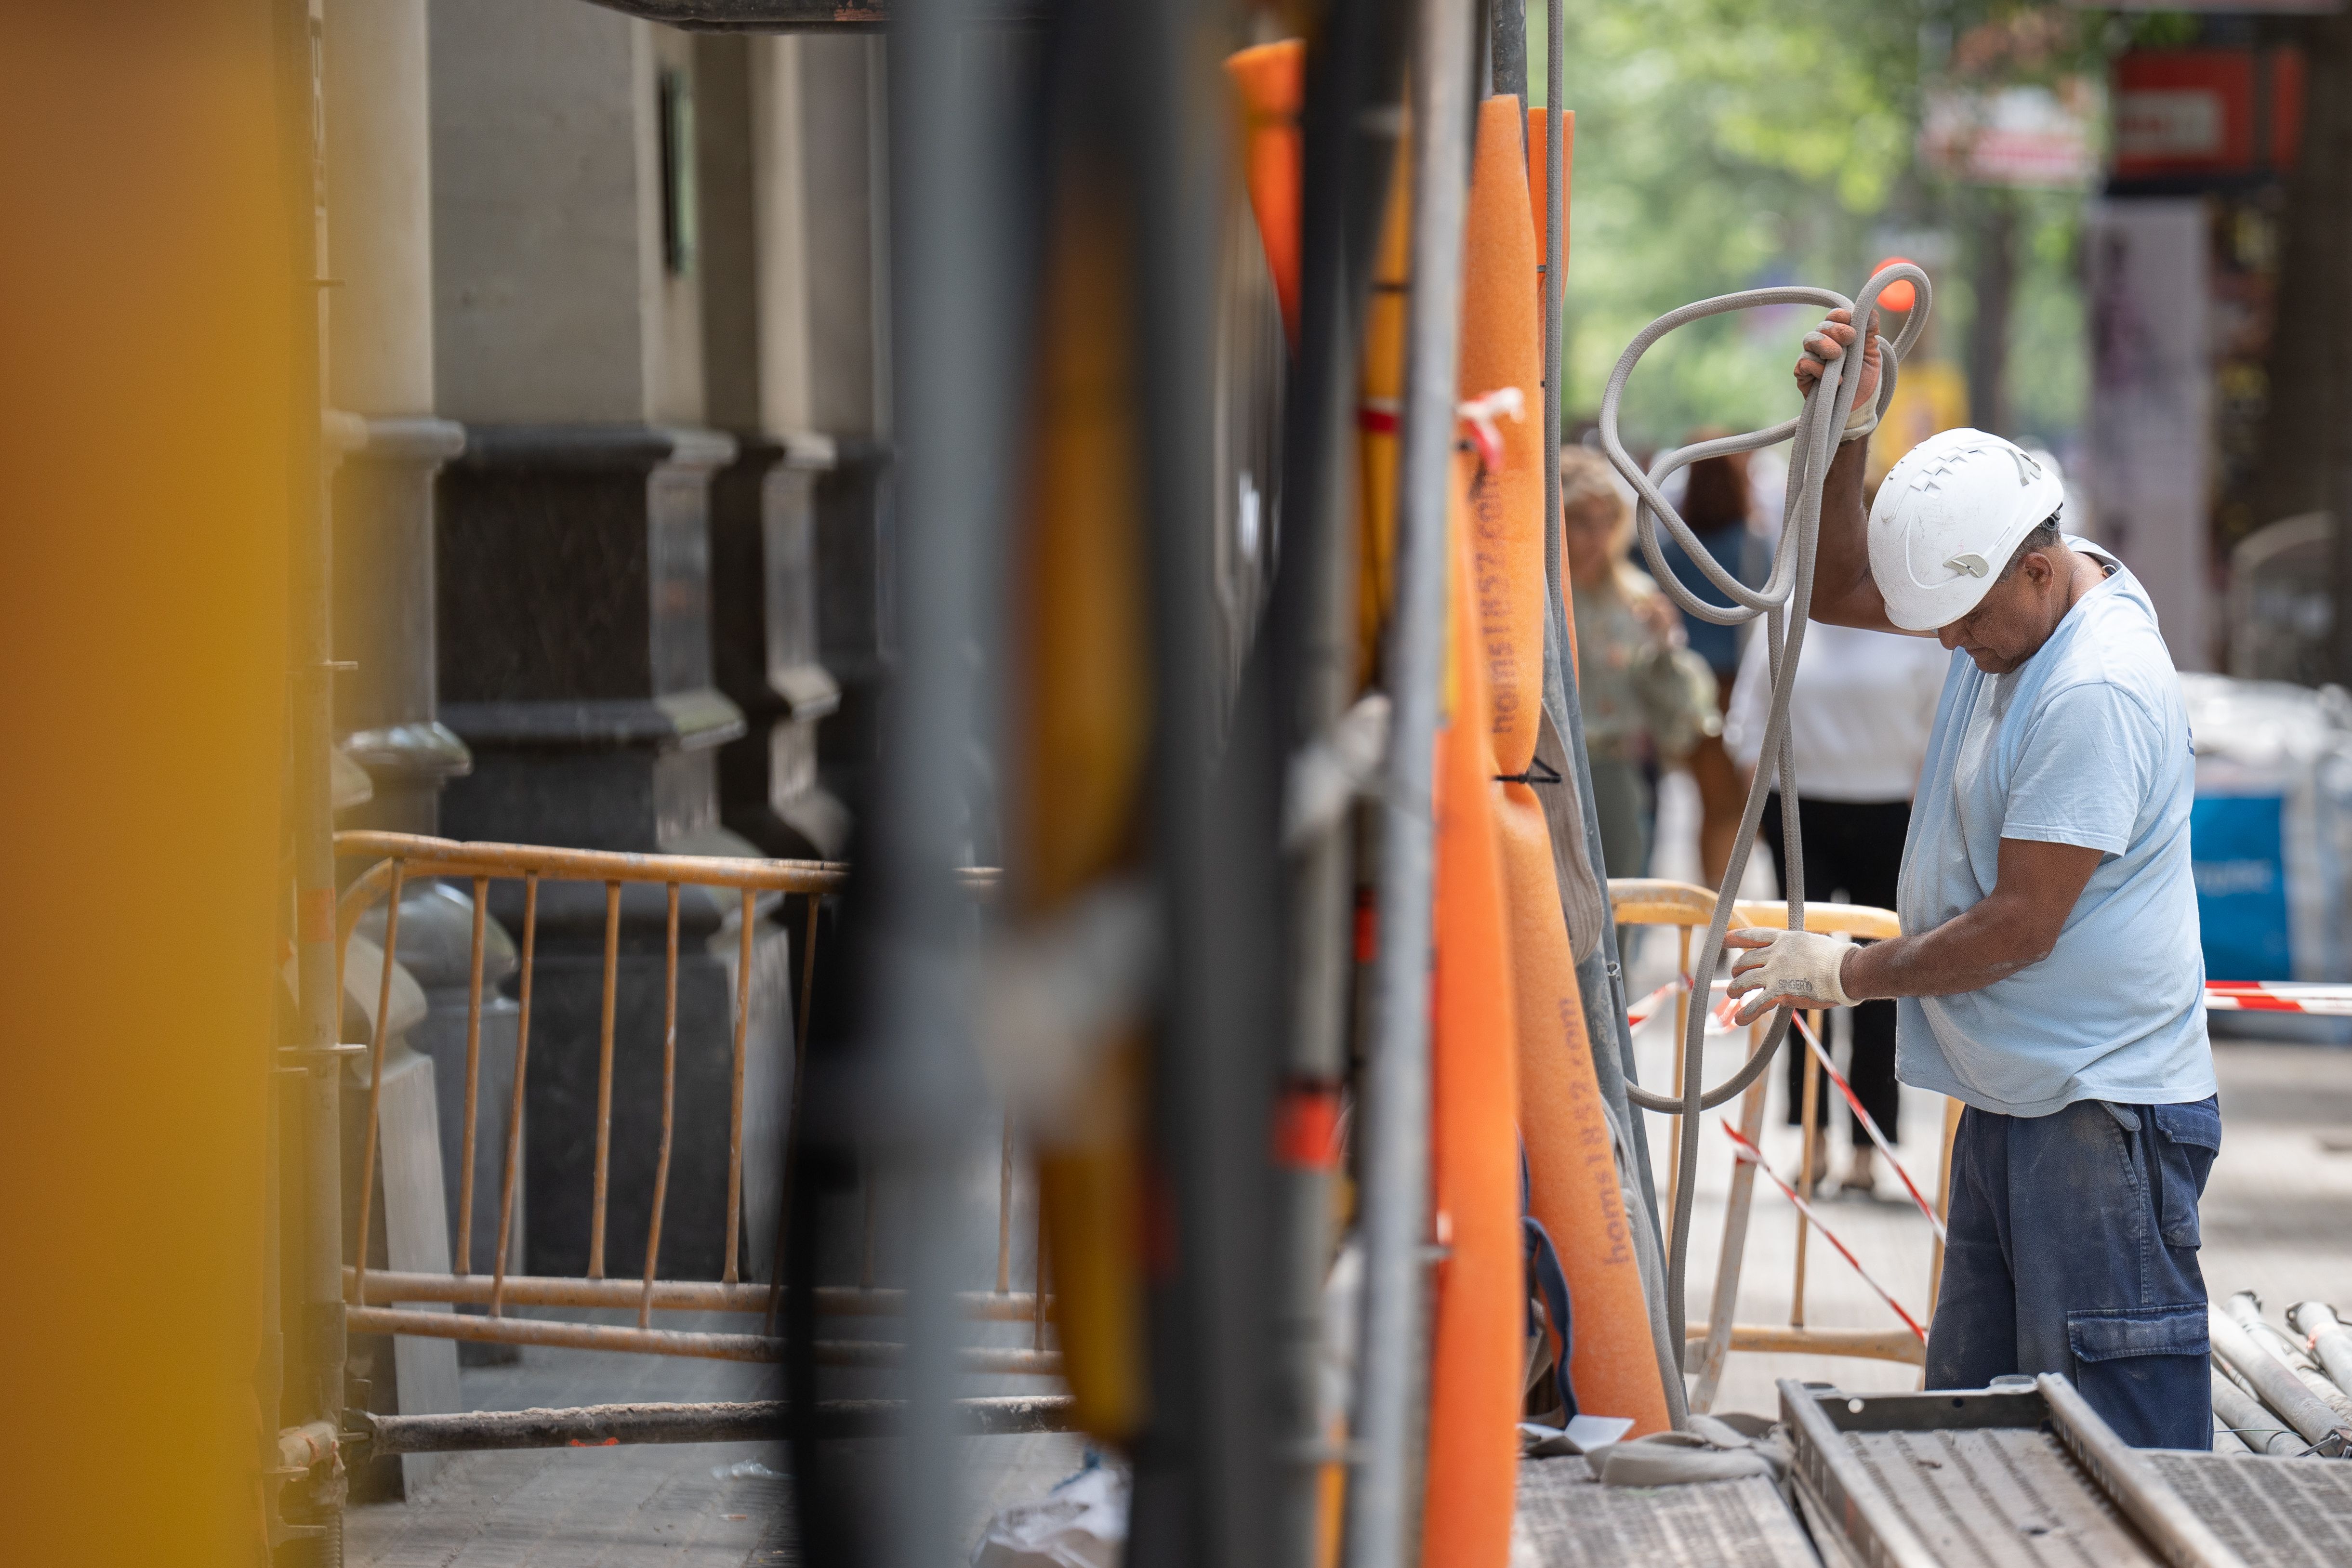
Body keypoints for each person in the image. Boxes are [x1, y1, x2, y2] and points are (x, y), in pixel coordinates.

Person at [1726, 308, 2219, 1451]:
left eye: (1961, 621)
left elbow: (2022, 925)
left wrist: (1849, 975)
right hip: (2021, 1100)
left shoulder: (2092, 688)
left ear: (2037, 570)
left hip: (2100, 1114)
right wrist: (1849, 430)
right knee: (1977, 1438)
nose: (1944, 646)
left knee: (2117, 1447)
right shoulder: (2021, 612)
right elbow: (1844, 586)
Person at [1724, 613, 1947, 1197]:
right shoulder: (1787, 608)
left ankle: (1867, 1147)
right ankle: (1812, 1139)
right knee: (1796, 978)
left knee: (1881, 980)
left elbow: (1941, 721)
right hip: (1798, 810)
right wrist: (1763, 808)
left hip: (1889, 812)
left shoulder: (1907, 618)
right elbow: (1747, 718)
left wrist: (1921, 805)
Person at [1559, 447, 1720, 882]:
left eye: (1605, 521)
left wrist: (1665, 648)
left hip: (1616, 768)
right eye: (1579, 522)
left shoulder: (1635, 595)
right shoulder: (1539, 592)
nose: (1595, 537)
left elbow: (1680, 707)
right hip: (1549, 767)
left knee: (1620, 906)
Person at [1654, 435, 1770, 887]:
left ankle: (1716, 914)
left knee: (1712, 809)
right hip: (1743, 687)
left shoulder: (1669, 545)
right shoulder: (1754, 541)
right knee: (1745, 807)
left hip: (1690, 691)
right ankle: (1734, 915)